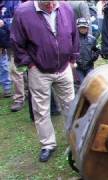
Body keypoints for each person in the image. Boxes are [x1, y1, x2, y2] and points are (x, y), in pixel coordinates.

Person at [10, 1, 79, 162]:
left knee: (70, 105)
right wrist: (30, 64)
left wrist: (72, 58)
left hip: (64, 68)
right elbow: (16, 42)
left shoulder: (65, 7)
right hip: (39, 71)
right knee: (41, 110)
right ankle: (47, 144)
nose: (50, 6)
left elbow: (74, 34)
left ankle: (76, 140)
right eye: (46, 4)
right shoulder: (22, 13)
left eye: (52, 3)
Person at [0, 0, 24, 111]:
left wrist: (4, 23)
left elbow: (21, 20)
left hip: (18, 42)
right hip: (7, 43)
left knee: (17, 70)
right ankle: (22, 95)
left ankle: (20, 98)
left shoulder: (14, 2)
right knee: (15, 70)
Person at [76, 17, 99, 83]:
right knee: (82, 84)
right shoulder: (74, 39)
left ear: (87, 28)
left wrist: (93, 57)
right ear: (77, 28)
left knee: (90, 83)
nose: (83, 29)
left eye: (84, 27)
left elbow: (96, 50)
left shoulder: (92, 39)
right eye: (81, 27)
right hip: (78, 67)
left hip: (89, 66)